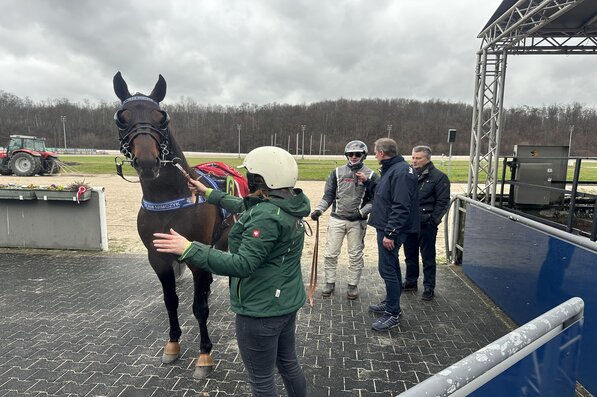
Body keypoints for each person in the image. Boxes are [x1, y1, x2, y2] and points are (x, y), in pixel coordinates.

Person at [153, 146, 309, 397]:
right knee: (289, 365)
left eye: (251, 174)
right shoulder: (287, 203)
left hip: (260, 312)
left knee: (261, 380)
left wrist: (190, 249)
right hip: (285, 303)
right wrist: (209, 193)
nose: (247, 177)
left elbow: (242, 265)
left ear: (262, 178)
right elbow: (247, 206)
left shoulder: (265, 219)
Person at [357, 138, 419, 331]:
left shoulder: (400, 172)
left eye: (375, 152)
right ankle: (391, 302)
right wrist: (368, 182)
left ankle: (393, 312)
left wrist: (391, 233)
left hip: (391, 229)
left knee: (387, 269)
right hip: (387, 226)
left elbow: (401, 206)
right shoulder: (394, 169)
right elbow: (385, 194)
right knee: (391, 267)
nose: (375, 155)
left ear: (382, 153)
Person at [310, 140, 378, 300]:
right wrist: (319, 210)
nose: (354, 157)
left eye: (357, 154)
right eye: (350, 154)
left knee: (355, 255)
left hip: (357, 222)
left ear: (363, 156)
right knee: (330, 253)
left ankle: (353, 285)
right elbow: (328, 195)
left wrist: (361, 213)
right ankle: (329, 282)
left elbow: (375, 200)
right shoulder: (337, 172)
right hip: (337, 220)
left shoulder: (372, 175)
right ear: (346, 155)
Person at [402, 145, 451, 301]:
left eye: (418, 158)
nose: (414, 161)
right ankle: (411, 282)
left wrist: (433, 221)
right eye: (413, 157)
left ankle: (429, 286)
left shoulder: (439, 177)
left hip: (426, 224)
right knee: (410, 255)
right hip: (409, 223)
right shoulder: (407, 174)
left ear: (427, 158)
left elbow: (443, 202)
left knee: (428, 257)